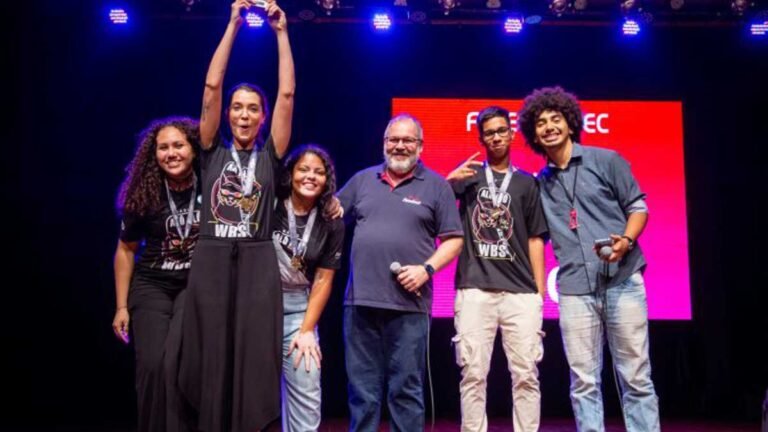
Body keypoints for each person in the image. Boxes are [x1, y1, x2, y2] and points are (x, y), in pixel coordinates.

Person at [177, 0, 295, 430]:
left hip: (258, 262)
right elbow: (211, 86)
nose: (243, 114)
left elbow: (286, 94)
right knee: (210, 355)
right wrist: (232, 25)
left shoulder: (271, 155)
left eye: (252, 109)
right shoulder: (210, 152)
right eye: (237, 107)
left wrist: (282, 33)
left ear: (262, 118)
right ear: (228, 114)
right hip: (210, 259)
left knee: (254, 356)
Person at [518, 86, 660, 432]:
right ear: (533, 134)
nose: (549, 126)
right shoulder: (540, 185)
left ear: (570, 123)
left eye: (556, 119)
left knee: (636, 376)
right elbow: (535, 237)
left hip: (623, 280)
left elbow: (638, 207)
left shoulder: (605, 160)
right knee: (583, 382)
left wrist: (626, 240)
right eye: (540, 122)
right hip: (574, 290)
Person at [337, 114, 464, 431]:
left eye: (408, 140)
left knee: (405, 392)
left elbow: (454, 240)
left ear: (420, 146)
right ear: (384, 143)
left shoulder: (436, 186)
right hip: (360, 303)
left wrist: (426, 269)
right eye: (394, 139)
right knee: (362, 393)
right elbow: (332, 215)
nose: (400, 145)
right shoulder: (363, 180)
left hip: (410, 307)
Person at [446, 106, 548, 432]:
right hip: (475, 288)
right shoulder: (469, 177)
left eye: (501, 130)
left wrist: (539, 295)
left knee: (526, 375)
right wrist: (449, 182)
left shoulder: (527, 183)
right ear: (481, 138)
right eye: (489, 132)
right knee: (473, 374)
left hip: (521, 293)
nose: (496, 137)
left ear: (511, 133)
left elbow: (535, 239)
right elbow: (434, 208)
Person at [113, 116, 202, 432]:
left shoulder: (211, 182)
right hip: (151, 284)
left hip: (193, 287)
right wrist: (122, 306)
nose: (171, 153)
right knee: (151, 365)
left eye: (178, 145)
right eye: (163, 148)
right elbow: (125, 250)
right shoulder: (145, 193)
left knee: (175, 362)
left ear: (193, 148)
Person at [272, 144, 344, 432]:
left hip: (299, 311)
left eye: (319, 172)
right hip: (257, 308)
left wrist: (305, 331)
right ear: (290, 173)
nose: (310, 176)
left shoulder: (331, 221)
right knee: (250, 397)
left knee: (307, 381)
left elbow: (324, 279)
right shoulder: (271, 205)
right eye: (303, 169)